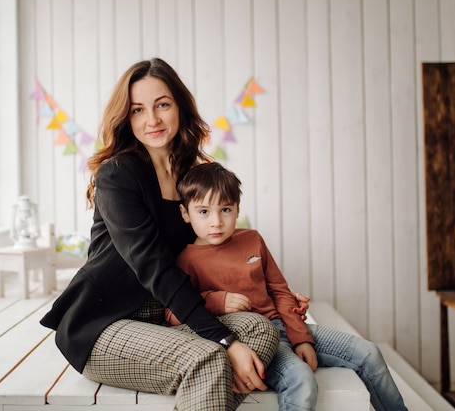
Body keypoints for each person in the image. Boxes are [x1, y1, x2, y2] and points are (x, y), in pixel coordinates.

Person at [40, 58, 291, 410]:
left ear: (179, 107)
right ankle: (208, 378)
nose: (152, 120)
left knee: (260, 330)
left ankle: (205, 392)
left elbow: (208, 251)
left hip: (166, 317)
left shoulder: (192, 175)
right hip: (103, 324)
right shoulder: (117, 175)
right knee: (212, 356)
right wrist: (222, 339)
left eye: (162, 105)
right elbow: (153, 265)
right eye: (138, 110)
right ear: (126, 118)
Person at [165, 162, 408, 411]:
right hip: (253, 343)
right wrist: (219, 301)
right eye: (203, 212)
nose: (216, 222)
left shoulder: (252, 239)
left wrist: (301, 339)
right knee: (301, 380)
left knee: (369, 353)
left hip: (284, 326)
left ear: (237, 209)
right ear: (185, 214)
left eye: (225, 209)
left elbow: (279, 290)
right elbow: (174, 314)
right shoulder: (187, 259)